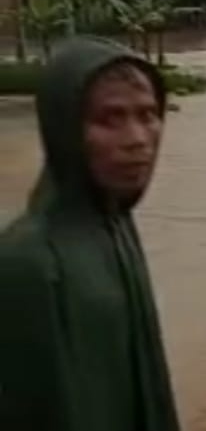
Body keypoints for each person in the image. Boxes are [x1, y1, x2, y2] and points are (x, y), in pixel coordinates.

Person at [0, 37, 181, 431]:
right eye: (110, 119)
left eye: (148, 114)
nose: (137, 139)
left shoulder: (116, 228)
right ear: (65, 131)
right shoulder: (27, 262)